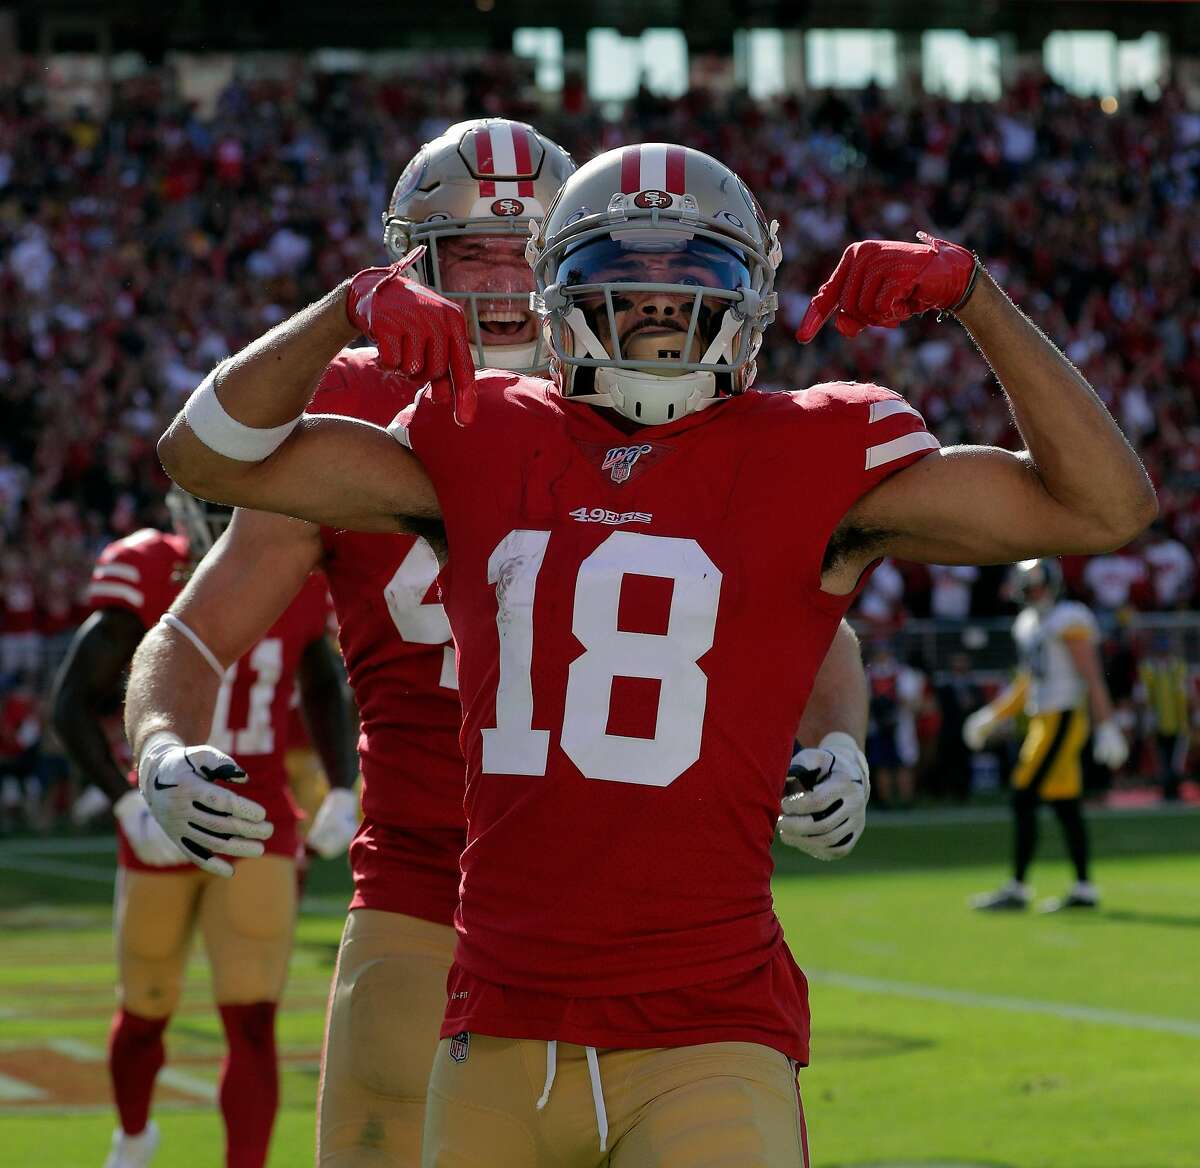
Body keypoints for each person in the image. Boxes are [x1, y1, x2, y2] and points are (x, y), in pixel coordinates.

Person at [158, 143, 1155, 1165]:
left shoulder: (813, 446)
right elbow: (201, 456)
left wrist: (978, 297)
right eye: (626, 286)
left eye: (694, 283)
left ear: (748, 300)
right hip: (496, 1014)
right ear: (564, 296)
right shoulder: (481, 431)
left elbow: (1105, 505)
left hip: (706, 1021)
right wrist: (341, 311)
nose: (660, 308)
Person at [127, 121, 871, 1166]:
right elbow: (197, 626)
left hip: (640, 931)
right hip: (424, 900)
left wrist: (839, 742)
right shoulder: (358, 401)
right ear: (412, 263)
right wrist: (160, 742)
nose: (503, 282)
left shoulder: (653, 393)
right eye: (472, 252)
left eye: (523, 251)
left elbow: (799, 606)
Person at [50, 488, 357, 1168]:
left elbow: (322, 680)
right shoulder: (149, 567)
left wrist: (341, 784)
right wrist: (128, 802)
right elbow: (70, 702)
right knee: (147, 1004)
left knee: (251, 1018)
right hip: (163, 811)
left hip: (259, 817)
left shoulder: (300, 576)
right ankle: (133, 1139)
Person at [964, 558, 1129, 912]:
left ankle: (1018, 888)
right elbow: (1027, 683)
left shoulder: (1067, 618)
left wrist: (1107, 725)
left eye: (1040, 586)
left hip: (1064, 716)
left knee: (1023, 796)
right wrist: (992, 715)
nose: (1036, 593)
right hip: (1043, 719)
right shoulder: (1027, 624)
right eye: (1031, 587)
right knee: (1066, 805)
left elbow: (1092, 676)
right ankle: (1084, 889)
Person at [1138, 633, 1191, 802]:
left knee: (1176, 761)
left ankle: (1174, 792)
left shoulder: (1179, 668)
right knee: (1162, 760)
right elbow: (1144, 697)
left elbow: (1188, 694)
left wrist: (1194, 717)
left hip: (1179, 722)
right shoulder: (1148, 668)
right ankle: (1166, 792)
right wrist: (1147, 721)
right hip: (1158, 722)